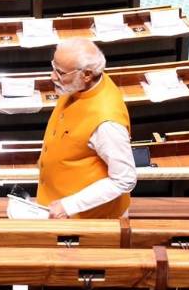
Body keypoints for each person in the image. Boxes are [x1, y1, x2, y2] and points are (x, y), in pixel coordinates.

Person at [36, 39, 136, 219]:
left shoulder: (107, 123)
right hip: (54, 204)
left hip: (86, 219)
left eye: (60, 72)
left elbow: (124, 179)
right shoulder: (80, 85)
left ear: (87, 74)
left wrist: (70, 204)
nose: (52, 77)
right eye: (53, 67)